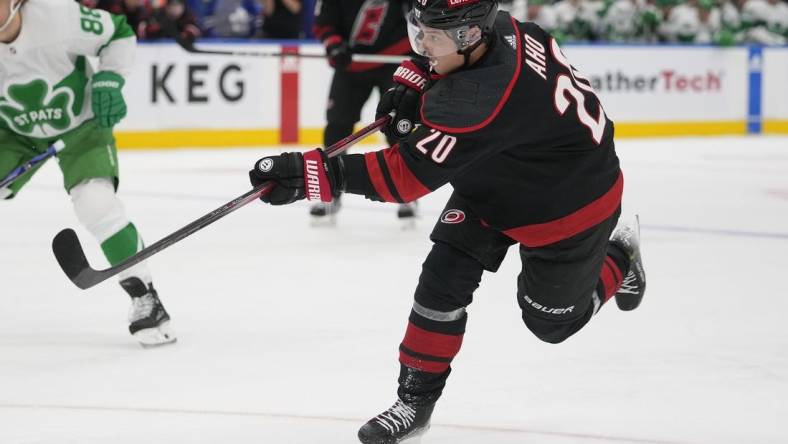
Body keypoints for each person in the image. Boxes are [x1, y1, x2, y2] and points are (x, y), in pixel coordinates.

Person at [248, 0, 647, 442]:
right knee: (440, 283)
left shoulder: (477, 99)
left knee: (550, 323)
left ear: (468, 37)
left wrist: (307, 175)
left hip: (569, 201)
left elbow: (403, 178)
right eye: (417, 31)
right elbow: (441, 74)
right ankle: (414, 404)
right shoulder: (502, 27)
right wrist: (415, 77)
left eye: (430, 38)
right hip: (500, 171)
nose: (420, 44)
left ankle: (622, 258)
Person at [0, 0, 175, 347]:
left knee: (96, 204)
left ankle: (145, 296)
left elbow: (119, 34)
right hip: (13, 133)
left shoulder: (57, 14)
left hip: (81, 127)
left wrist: (109, 79)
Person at [310, 0, 416, 223]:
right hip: (351, 63)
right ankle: (330, 190)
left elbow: (420, 15)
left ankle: (407, 189)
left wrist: (417, 47)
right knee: (337, 127)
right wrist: (334, 45)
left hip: (393, 61)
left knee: (398, 124)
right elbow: (324, 23)